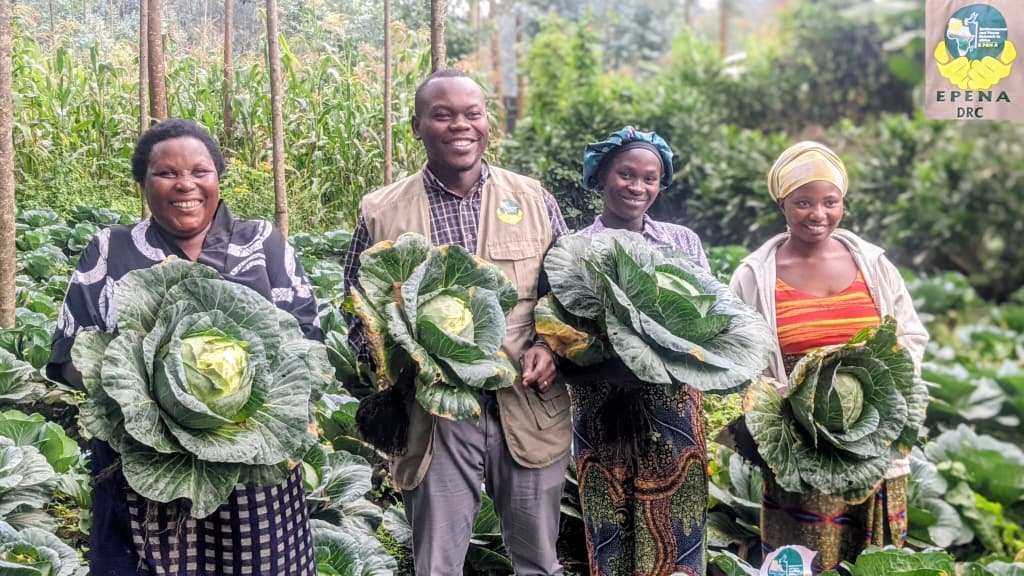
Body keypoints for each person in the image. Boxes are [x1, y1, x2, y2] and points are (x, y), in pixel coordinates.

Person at [46, 119, 323, 576]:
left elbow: (306, 344)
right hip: (141, 467)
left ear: (218, 177)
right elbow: (69, 354)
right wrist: (129, 379)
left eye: (200, 171)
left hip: (251, 464)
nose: (185, 185)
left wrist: (243, 413)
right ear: (142, 183)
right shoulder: (110, 249)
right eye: (166, 173)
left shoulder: (262, 243)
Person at [342, 69, 571, 575]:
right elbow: (358, 312)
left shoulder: (533, 199)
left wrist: (549, 345)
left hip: (526, 402)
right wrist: (402, 365)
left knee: (539, 561)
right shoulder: (382, 211)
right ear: (417, 126)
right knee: (438, 565)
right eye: (442, 115)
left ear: (488, 123)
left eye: (472, 114)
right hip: (432, 414)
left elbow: (566, 293)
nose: (460, 126)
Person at [729, 141, 928, 572]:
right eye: (803, 202)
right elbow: (738, 356)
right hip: (797, 447)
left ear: (843, 203)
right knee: (802, 561)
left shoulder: (873, 264)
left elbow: (910, 335)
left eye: (830, 202)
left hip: (875, 443)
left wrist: (882, 394)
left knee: (876, 563)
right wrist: (783, 403)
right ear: (782, 205)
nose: (818, 214)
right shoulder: (754, 276)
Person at [570, 126, 710, 576]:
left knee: (679, 527)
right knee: (610, 528)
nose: (638, 187)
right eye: (626, 174)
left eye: (650, 178)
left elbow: (710, 314)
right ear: (601, 177)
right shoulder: (574, 248)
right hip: (601, 404)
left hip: (673, 403)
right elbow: (562, 333)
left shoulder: (681, 241)